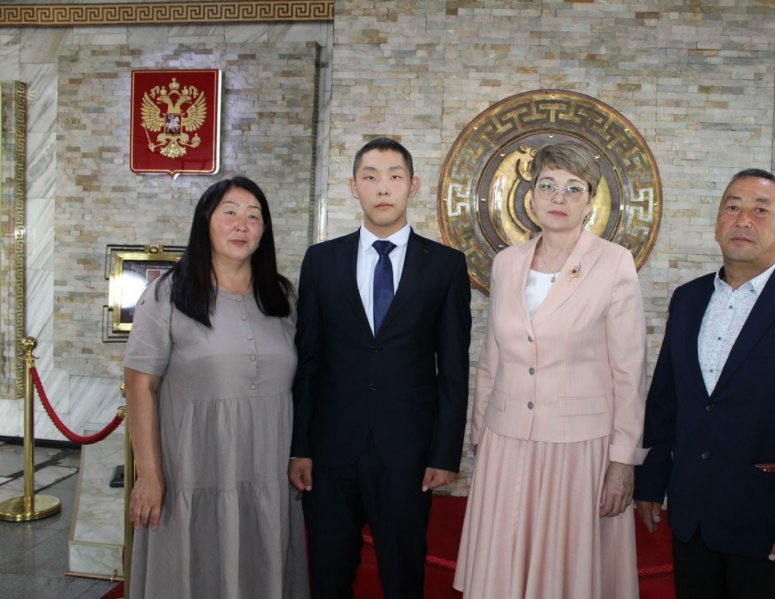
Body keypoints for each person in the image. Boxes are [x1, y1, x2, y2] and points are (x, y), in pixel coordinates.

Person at [634, 169, 775, 598]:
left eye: (760, 210)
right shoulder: (688, 299)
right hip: (692, 516)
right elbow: (667, 400)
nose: (743, 219)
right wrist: (650, 483)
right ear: (717, 223)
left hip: (771, 524)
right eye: (732, 207)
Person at [454, 142, 649, 598]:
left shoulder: (614, 262)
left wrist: (623, 460)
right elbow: (493, 356)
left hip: (578, 448)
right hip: (506, 440)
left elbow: (628, 370)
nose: (559, 198)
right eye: (548, 186)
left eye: (573, 188)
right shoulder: (508, 263)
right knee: (503, 570)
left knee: (565, 575)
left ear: (590, 200)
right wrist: (481, 434)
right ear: (531, 195)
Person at [288, 137, 472, 598]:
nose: (383, 188)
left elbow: (453, 367)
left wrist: (444, 454)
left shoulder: (445, 266)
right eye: (370, 177)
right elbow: (308, 360)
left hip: (408, 451)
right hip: (331, 450)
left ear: (414, 185)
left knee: (403, 576)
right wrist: (300, 447)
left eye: (395, 177)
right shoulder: (321, 260)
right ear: (354, 187)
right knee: (328, 575)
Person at [124, 176, 307, 598]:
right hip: (194, 467)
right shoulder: (167, 295)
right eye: (230, 213)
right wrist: (148, 473)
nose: (242, 224)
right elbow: (139, 384)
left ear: (263, 232)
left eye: (253, 216)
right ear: (204, 223)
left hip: (267, 468)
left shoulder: (282, 297)